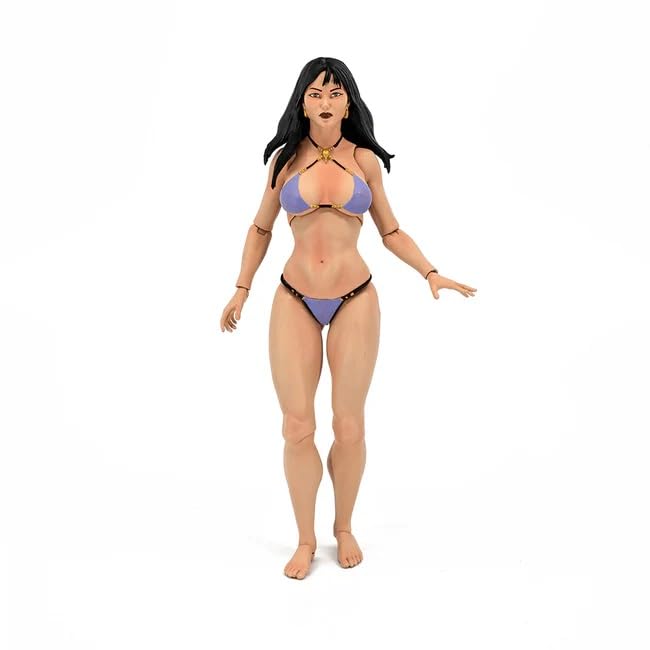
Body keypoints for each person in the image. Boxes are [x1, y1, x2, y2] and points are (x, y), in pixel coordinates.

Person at [220, 57, 477, 580]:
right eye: (315, 93)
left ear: (348, 103)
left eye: (335, 93)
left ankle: (343, 527)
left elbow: (390, 231)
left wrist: (430, 272)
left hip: (355, 297)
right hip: (294, 297)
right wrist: (241, 288)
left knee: (349, 424)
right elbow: (261, 229)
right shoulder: (284, 162)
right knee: (297, 425)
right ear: (302, 103)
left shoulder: (364, 161)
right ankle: (305, 538)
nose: (325, 101)